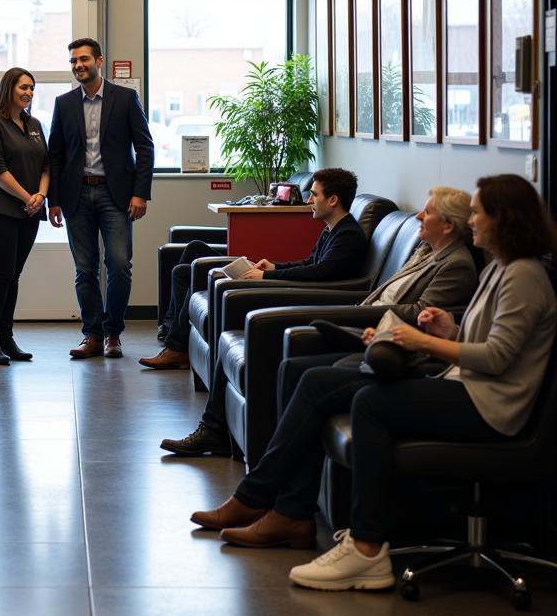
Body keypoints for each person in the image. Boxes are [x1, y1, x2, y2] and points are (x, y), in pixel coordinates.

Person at [188, 174, 556, 593]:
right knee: (312, 380)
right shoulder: (502, 268)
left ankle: (364, 548)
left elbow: (496, 358)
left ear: (502, 219)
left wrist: (421, 342)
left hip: (489, 406)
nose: (473, 220)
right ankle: (284, 510)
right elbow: (485, 342)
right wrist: (449, 330)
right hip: (465, 385)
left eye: (478, 212)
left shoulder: (523, 276)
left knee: (370, 403)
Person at [159, 182, 473, 454]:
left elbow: (423, 316)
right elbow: (316, 265)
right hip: (360, 314)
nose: (419, 215)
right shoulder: (424, 250)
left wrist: (357, 312)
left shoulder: (455, 264)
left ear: (447, 225)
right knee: (258, 342)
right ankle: (220, 431)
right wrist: (276, 270)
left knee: (285, 355)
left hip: (376, 328)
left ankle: (235, 440)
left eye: (427, 212)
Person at [144, 168, 367, 371]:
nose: (309, 200)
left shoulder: (348, 236)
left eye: (315, 195)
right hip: (296, 283)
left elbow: (320, 273)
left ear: (333, 200)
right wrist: (274, 265)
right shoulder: (332, 229)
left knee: (189, 268)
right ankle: (173, 336)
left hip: (307, 295)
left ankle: (176, 345)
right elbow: (310, 263)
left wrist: (267, 275)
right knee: (188, 261)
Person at [48, 37, 154, 360]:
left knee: (120, 265)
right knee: (85, 269)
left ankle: (113, 333)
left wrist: (140, 192)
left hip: (116, 195)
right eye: (73, 61)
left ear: (99, 60)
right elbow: (55, 156)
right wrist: (54, 200)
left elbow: (145, 147)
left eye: (83, 59)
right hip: (76, 196)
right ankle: (92, 335)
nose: (77, 65)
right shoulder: (64, 103)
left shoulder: (125, 99)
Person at [0, 67, 50, 366]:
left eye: (32, 88)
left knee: (14, 276)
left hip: (30, 210)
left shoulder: (35, 124)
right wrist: (27, 197)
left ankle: (7, 338)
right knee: (2, 274)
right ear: (9, 89)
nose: (29, 93)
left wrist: (40, 196)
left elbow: (47, 165)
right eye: (23, 87)